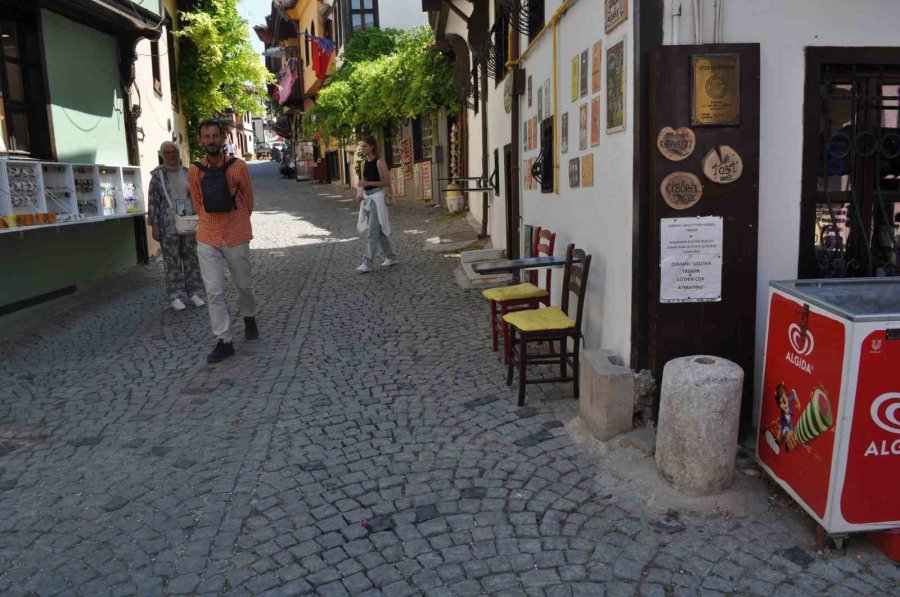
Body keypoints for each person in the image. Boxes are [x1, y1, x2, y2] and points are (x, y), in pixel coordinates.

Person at [189, 119, 259, 363]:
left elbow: (249, 201)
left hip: (236, 232)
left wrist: (238, 221)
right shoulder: (195, 170)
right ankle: (224, 339)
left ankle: (249, 316)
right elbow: (198, 203)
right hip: (208, 234)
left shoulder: (238, 167)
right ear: (200, 140)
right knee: (214, 290)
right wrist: (210, 222)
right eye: (206, 136)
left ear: (222, 138)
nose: (210, 140)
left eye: (214, 136)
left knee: (243, 284)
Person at [147, 141, 206, 311]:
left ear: (178, 154)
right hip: (168, 225)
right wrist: (155, 226)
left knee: (192, 259)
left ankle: (194, 292)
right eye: (168, 153)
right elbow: (153, 203)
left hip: (189, 222)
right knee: (172, 262)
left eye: (174, 152)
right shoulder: (157, 176)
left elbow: (197, 196)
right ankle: (176, 295)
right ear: (163, 155)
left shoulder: (188, 173)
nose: (172, 155)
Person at [355, 136, 397, 273]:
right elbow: (362, 182)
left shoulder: (380, 161)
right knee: (377, 231)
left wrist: (369, 184)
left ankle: (367, 262)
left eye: (365, 146)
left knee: (372, 231)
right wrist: (360, 193)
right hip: (367, 198)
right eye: (362, 146)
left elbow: (387, 182)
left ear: (372, 147)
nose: (363, 148)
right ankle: (390, 256)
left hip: (378, 198)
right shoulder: (363, 164)